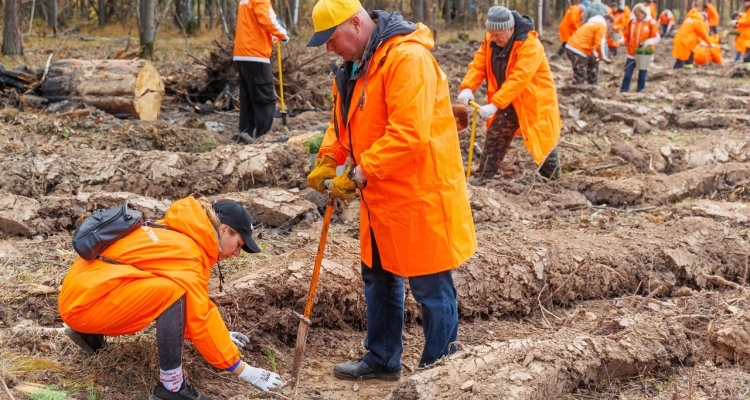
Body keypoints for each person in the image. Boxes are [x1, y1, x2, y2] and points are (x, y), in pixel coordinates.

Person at [305, 0, 477, 381]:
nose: (329, 49)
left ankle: (439, 373)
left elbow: (408, 133)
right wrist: (328, 158)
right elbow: (343, 124)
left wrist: (362, 172)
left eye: (332, 39)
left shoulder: (406, 58)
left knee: (431, 287)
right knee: (379, 278)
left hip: (419, 194)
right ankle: (382, 359)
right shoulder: (354, 66)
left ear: (355, 24)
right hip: (380, 196)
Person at [59, 196, 281, 399]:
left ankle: (87, 333)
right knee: (174, 291)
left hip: (82, 294)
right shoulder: (189, 254)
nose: (236, 254)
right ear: (224, 230)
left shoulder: (175, 230)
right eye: (239, 245)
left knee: (169, 290)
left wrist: (221, 334)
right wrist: (246, 371)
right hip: (84, 306)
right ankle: (171, 386)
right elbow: (200, 317)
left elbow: (191, 312)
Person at [459, 7, 562, 180]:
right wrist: (468, 87)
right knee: (496, 134)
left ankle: (554, 181)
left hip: (535, 101)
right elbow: (478, 64)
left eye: (498, 34)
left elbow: (519, 78)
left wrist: (496, 103)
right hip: (509, 101)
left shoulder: (530, 45)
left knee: (544, 140)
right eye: (491, 33)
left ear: (511, 28)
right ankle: (484, 178)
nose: (494, 38)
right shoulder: (490, 40)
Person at [232, 0, 289, 144]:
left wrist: (272, 35)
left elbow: (254, 23)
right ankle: (264, 137)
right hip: (255, 53)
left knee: (248, 98)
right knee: (265, 98)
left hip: (242, 52)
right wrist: (282, 33)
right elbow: (267, 18)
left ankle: (246, 133)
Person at [621, 4, 660, 92]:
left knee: (642, 75)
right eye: (635, 15)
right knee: (627, 74)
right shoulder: (632, 22)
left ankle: (640, 91)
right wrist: (622, 41)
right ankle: (623, 91)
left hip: (644, 54)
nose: (637, 17)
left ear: (643, 13)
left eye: (638, 15)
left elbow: (657, 37)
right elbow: (626, 35)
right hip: (631, 52)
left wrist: (648, 42)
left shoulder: (651, 23)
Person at [566, 14, 614, 85]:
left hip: (572, 46)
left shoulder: (592, 23)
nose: (610, 27)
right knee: (580, 74)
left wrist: (595, 55)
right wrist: (602, 57)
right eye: (611, 24)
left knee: (593, 61)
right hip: (579, 50)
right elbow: (599, 43)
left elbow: (591, 41)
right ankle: (576, 91)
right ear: (608, 21)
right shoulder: (601, 26)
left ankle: (592, 85)